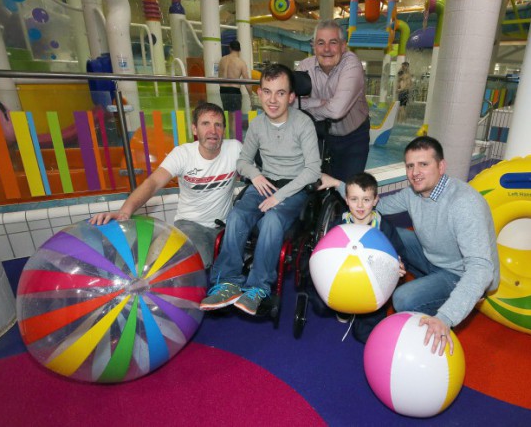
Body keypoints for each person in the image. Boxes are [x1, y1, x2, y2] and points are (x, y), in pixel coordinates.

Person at [320, 136, 499, 355]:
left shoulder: (463, 203)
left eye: (424, 164)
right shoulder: (414, 193)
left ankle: (438, 294)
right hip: (434, 256)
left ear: (441, 166)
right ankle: (422, 280)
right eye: (410, 166)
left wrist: (445, 317)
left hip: (459, 273)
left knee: (403, 298)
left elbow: (481, 269)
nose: (415, 172)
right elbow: (375, 205)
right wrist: (339, 185)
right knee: (393, 235)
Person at [200, 63, 321, 316]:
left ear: (291, 97)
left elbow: (312, 171)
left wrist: (279, 195)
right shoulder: (257, 124)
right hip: (264, 182)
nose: (272, 100)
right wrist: (255, 175)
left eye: (280, 93)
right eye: (267, 92)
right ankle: (227, 283)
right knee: (237, 216)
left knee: (272, 220)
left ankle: (258, 288)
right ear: (259, 93)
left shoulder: (303, 124)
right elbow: (243, 161)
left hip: (293, 187)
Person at [90, 102, 242, 269]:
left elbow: (257, 173)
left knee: (234, 267)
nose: (212, 131)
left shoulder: (234, 149)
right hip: (191, 224)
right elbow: (153, 183)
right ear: (194, 129)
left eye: (218, 125)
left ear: (223, 130)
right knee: (200, 266)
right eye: (205, 124)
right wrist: (124, 212)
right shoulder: (183, 154)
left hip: (225, 226)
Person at [313, 172, 407, 337]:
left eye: (366, 199)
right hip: (344, 277)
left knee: (365, 334)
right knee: (319, 304)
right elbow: (325, 252)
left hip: (373, 281)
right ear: (346, 200)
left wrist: (399, 264)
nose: (360, 205)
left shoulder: (383, 226)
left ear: (376, 200)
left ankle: (358, 311)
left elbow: (398, 251)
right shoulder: (340, 224)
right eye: (354, 199)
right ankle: (344, 309)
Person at [296, 19, 370, 182]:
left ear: (343, 46)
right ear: (313, 46)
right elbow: (291, 104)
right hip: (321, 135)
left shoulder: (352, 64)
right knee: (315, 186)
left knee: (348, 189)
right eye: (321, 43)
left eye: (333, 42)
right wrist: (321, 103)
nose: (327, 49)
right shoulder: (304, 67)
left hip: (353, 137)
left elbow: (336, 111)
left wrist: (308, 106)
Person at [218, 40, 253, 112]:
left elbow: (219, 76)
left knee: (227, 113)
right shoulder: (241, 62)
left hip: (223, 90)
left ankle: (229, 124)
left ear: (230, 48)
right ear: (239, 50)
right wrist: (251, 96)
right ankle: (238, 124)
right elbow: (247, 81)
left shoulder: (222, 60)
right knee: (237, 114)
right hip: (234, 90)